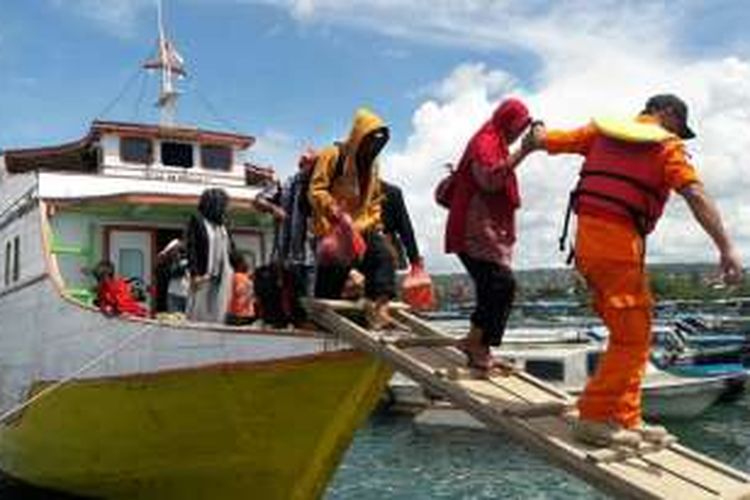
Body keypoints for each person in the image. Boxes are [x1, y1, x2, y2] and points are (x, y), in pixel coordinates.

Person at [527, 94, 743, 447]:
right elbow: (695, 194)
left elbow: (546, 140)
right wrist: (725, 248)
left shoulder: (599, 133)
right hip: (617, 249)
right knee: (631, 336)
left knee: (636, 331)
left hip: (588, 248)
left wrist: (536, 130)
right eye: (679, 127)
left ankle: (626, 416)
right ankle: (595, 417)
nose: (678, 134)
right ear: (668, 114)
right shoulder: (666, 147)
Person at [444, 98, 536, 372]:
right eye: (519, 127)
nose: (520, 133)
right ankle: (477, 345)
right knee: (500, 284)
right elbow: (490, 179)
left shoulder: (494, 142)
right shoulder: (486, 142)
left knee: (493, 287)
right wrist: (524, 151)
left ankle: (476, 343)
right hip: (473, 230)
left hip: (483, 231)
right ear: (508, 122)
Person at [309, 107, 396, 328]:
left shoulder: (373, 165)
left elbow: (375, 200)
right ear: (359, 136)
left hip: (361, 228)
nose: (373, 147)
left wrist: (374, 224)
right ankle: (322, 326)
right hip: (333, 230)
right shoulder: (332, 154)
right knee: (331, 283)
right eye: (369, 141)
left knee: (384, 257)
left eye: (378, 144)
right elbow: (316, 189)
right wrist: (335, 212)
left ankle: (380, 311)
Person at [185, 188, 234, 323]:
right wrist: (195, 275)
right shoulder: (197, 220)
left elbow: (231, 248)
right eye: (224, 204)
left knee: (219, 314)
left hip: (223, 276)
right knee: (199, 315)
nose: (226, 208)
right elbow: (191, 248)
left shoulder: (224, 223)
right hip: (203, 276)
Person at [226, 250, 256, 326]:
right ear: (239, 264)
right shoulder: (238, 277)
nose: (247, 264)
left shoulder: (240, 276)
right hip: (241, 316)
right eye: (244, 261)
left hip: (241, 315)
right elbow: (241, 292)